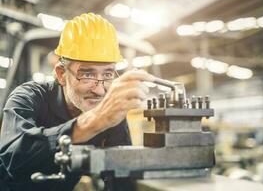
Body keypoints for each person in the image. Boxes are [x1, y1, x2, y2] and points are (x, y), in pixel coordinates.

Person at [0, 13, 154, 191]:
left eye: (108, 74)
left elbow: (121, 175)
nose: (99, 90)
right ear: (61, 74)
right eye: (87, 74)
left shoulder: (110, 113)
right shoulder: (28, 97)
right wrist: (93, 122)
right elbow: (15, 160)